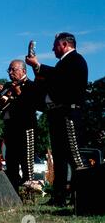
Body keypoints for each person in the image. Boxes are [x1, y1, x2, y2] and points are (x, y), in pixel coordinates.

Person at [26, 32, 88, 207]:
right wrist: (38, 69)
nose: (53, 48)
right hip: (58, 114)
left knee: (74, 157)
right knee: (59, 158)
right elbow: (52, 78)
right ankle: (59, 197)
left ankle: (83, 196)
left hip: (69, 114)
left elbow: (58, 78)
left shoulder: (75, 60)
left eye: (55, 45)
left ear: (65, 45)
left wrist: (38, 65)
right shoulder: (64, 64)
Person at [0, 59, 39, 194]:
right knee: (11, 164)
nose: (10, 73)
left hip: (26, 129)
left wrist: (19, 93)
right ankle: (13, 195)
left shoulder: (32, 86)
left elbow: (32, 106)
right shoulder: (7, 86)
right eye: (9, 70)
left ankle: (29, 196)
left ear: (23, 71)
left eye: (13, 70)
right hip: (10, 130)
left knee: (27, 164)